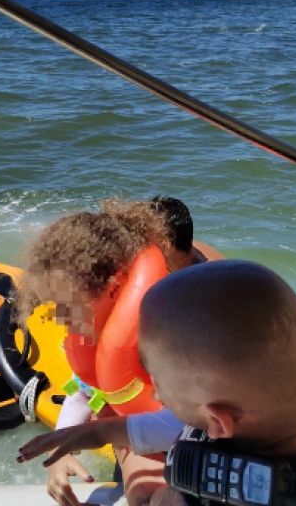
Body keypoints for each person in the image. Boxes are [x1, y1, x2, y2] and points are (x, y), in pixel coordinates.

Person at [20, 261, 296, 506]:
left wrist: (131, 461)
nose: (154, 391)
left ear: (218, 422)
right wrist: (97, 429)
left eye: (157, 383)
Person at [15, 197, 222, 506]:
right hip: (144, 431)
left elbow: (200, 423)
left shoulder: (174, 333)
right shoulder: (97, 330)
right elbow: (85, 388)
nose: (60, 320)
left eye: (65, 308)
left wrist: (99, 433)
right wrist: (62, 447)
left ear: (114, 290)